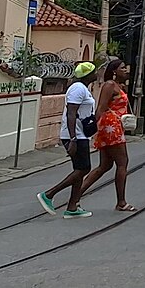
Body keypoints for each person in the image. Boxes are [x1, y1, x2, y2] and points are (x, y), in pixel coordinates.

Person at [38, 62, 98, 219]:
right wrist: (73, 139)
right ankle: (49, 194)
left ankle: (72, 206)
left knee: (79, 169)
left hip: (81, 134)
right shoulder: (78, 89)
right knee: (84, 169)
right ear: (88, 75)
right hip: (75, 135)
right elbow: (71, 113)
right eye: (94, 71)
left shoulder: (83, 89)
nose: (97, 73)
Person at [78, 59, 135, 211]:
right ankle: (121, 202)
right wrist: (91, 128)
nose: (126, 71)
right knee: (122, 163)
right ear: (115, 71)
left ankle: (75, 196)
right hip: (111, 127)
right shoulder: (109, 85)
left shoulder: (119, 86)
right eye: (123, 68)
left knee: (105, 166)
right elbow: (101, 107)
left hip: (113, 127)